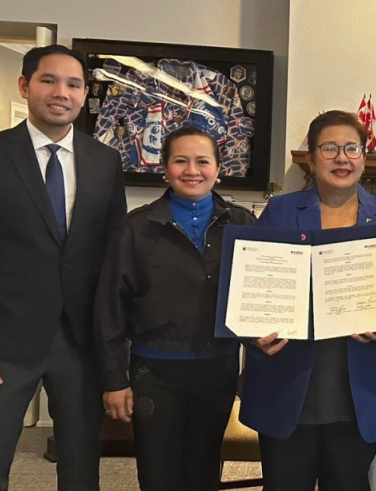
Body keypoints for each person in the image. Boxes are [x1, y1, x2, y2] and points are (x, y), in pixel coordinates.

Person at [0, 44, 127, 490]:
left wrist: (115, 347)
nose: (61, 92)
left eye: (74, 84)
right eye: (49, 80)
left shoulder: (105, 161)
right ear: (25, 86)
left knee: (81, 466)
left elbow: (114, 256)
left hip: (80, 344)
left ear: (84, 95)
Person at [240, 110, 376, 491]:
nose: (342, 158)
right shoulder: (281, 211)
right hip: (288, 383)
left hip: (359, 389)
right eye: (330, 148)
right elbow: (252, 285)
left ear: (364, 157)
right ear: (312, 157)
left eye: (352, 148)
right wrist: (252, 332)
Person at [93, 126, 255, 490]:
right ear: (165, 168)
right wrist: (114, 380)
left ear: (218, 168)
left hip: (218, 368)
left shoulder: (243, 223)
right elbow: (109, 310)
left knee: (204, 468)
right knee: (158, 472)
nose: (192, 170)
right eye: (181, 161)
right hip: (155, 373)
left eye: (203, 161)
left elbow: (261, 297)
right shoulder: (136, 228)